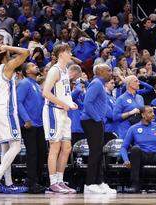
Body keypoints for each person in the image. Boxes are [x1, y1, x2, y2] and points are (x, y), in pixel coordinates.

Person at [0, 45, 30, 194]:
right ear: (4, 54)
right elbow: (26, 52)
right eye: (8, 52)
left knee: (5, 149)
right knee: (16, 146)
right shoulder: (6, 66)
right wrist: (6, 46)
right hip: (7, 111)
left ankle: (9, 183)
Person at [41, 44, 77, 194]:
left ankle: (60, 180)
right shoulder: (54, 70)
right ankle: (52, 182)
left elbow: (63, 93)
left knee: (67, 148)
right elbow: (45, 93)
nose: (71, 54)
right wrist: (63, 104)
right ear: (62, 53)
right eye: (69, 52)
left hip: (64, 112)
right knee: (55, 147)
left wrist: (70, 102)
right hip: (53, 111)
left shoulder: (64, 71)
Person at [120, 106, 156, 194]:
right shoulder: (133, 128)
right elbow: (124, 147)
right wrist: (126, 160)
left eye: (153, 112)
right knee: (135, 149)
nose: (153, 114)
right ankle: (135, 185)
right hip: (142, 156)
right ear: (143, 115)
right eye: (150, 112)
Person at [81, 63, 116, 194]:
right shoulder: (96, 83)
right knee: (95, 152)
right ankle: (90, 184)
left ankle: (99, 182)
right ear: (100, 71)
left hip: (95, 121)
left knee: (99, 153)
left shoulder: (99, 84)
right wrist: (97, 119)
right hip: (91, 121)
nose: (111, 72)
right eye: (108, 70)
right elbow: (87, 103)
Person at [17, 62, 47, 194]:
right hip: (29, 124)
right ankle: (32, 183)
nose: (36, 66)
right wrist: (26, 119)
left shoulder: (36, 84)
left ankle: (37, 181)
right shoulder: (24, 83)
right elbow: (18, 102)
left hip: (40, 125)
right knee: (33, 154)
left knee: (42, 153)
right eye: (32, 66)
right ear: (27, 71)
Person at [113, 75, 145, 139]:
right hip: (126, 132)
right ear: (129, 84)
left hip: (139, 131)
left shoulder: (140, 97)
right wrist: (130, 113)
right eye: (136, 81)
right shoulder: (121, 99)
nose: (138, 83)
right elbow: (115, 117)